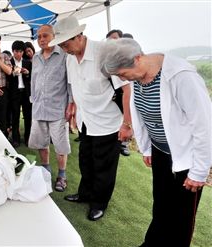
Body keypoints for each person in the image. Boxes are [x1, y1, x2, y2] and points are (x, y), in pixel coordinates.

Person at [99, 38, 212, 247]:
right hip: (160, 151)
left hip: (186, 159)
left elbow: (204, 125)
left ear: (138, 58)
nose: (123, 79)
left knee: (182, 216)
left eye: (122, 73)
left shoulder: (181, 76)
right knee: (161, 204)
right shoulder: (138, 77)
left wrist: (199, 171)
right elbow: (142, 116)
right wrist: (147, 148)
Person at [49, 16, 132, 221]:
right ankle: (85, 194)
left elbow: (127, 89)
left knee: (103, 166)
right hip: (86, 120)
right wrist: (74, 109)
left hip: (107, 122)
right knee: (85, 161)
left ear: (79, 36)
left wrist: (127, 124)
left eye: (66, 43)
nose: (64, 48)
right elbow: (75, 87)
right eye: (61, 44)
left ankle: (99, 203)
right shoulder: (69, 57)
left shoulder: (104, 54)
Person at [29, 24, 74, 192]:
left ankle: (62, 175)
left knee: (61, 144)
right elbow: (33, 81)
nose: (41, 39)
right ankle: (46, 170)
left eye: (45, 36)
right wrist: (33, 99)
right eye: (39, 36)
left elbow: (69, 82)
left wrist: (71, 104)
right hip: (39, 107)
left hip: (58, 109)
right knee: (42, 143)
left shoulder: (64, 55)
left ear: (54, 36)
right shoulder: (35, 57)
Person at [106, 30, 131, 157]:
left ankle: (124, 143)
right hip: (114, 95)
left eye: (115, 38)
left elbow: (128, 88)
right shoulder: (107, 57)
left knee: (125, 116)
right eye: (109, 39)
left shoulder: (125, 57)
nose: (112, 41)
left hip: (125, 94)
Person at [8, 40, 32, 147]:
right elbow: (7, 77)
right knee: (15, 117)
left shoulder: (27, 62)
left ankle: (28, 138)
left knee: (28, 116)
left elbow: (31, 78)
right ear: (13, 51)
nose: (18, 54)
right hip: (14, 93)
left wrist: (27, 73)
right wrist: (13, 73)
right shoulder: (9, 62)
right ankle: (16, 139)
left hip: (26, 92)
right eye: (16, 51)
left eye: (21, 51)